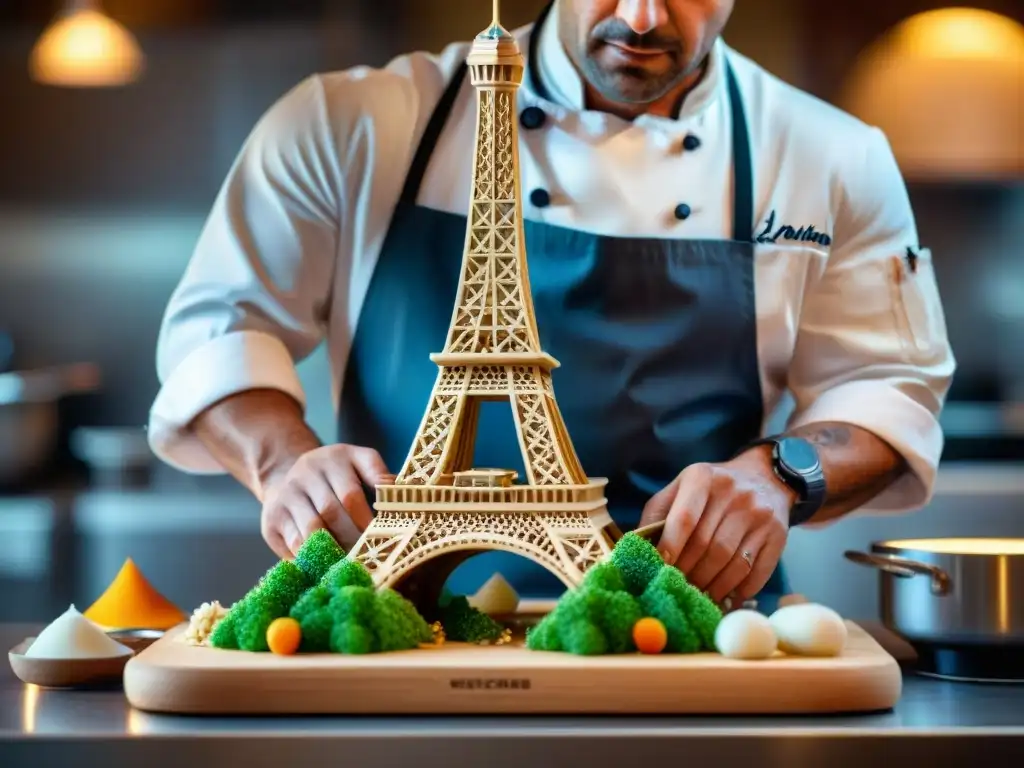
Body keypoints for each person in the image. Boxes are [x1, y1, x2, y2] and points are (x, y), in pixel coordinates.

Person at [147, 0, 955, 613]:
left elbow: (889, 387)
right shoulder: (348, 124)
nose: (642, 17)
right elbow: (220, 335)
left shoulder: (833, 158)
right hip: (390, 632)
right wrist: (288, 464)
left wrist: (782, 475)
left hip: (695, 645)